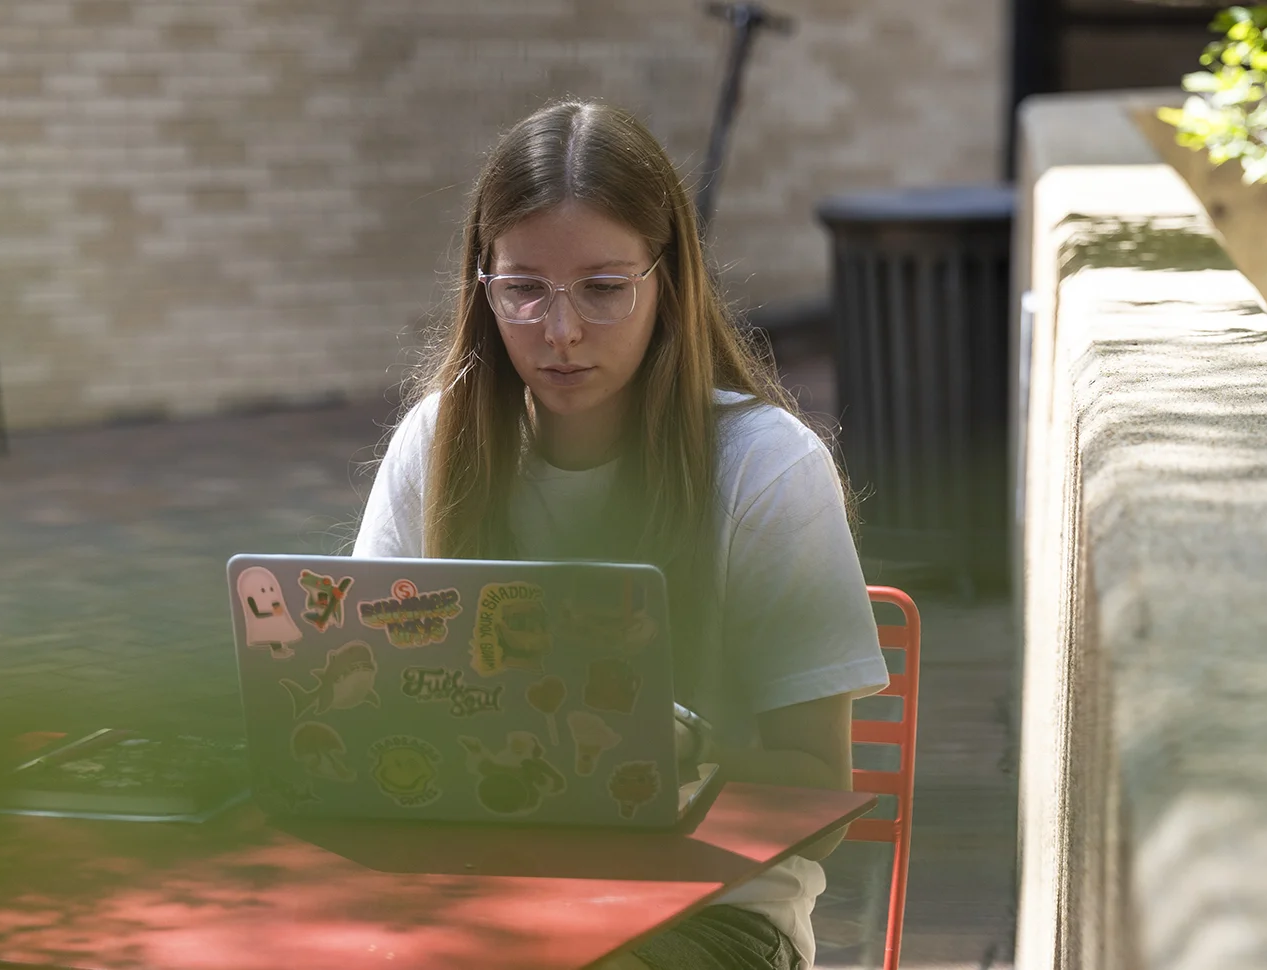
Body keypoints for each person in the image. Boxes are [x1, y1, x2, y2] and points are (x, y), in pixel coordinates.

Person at [351, 99, 890, 970]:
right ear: (481, 286)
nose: (560, 331)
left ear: (666, 284)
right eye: (523, 289)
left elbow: (818, 802)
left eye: (604, 289)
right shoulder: (435, 441)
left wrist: (678, 749)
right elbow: (365, 690)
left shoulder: (764, 467)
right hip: (479, 901)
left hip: (713, 919)